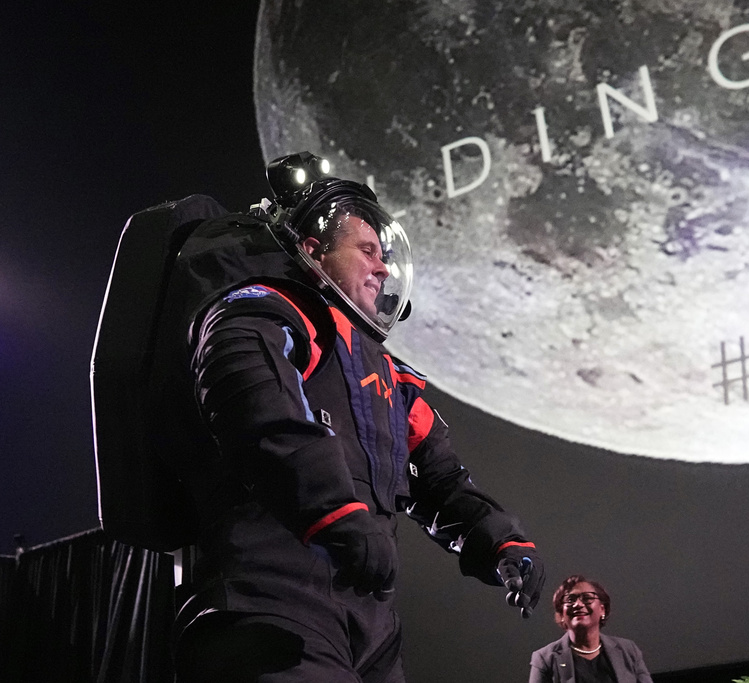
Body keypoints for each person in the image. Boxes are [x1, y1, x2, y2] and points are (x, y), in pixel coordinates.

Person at [171, 152, 545, 683]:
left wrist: (500, 540)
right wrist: (333, 512)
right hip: (266, 600)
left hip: (370, 623)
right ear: (312, 251)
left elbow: (439, 478)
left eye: (384, 254)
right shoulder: (261, 309)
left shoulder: (388, 376)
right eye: (366, 250)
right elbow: (254, 410)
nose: (383, 267)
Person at [529, 575, 653, 683]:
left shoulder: (628, 650)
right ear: (562, 614)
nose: (578, 604)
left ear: (602, 610)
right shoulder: (544, 659)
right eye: (570, 600)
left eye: (587, 598)